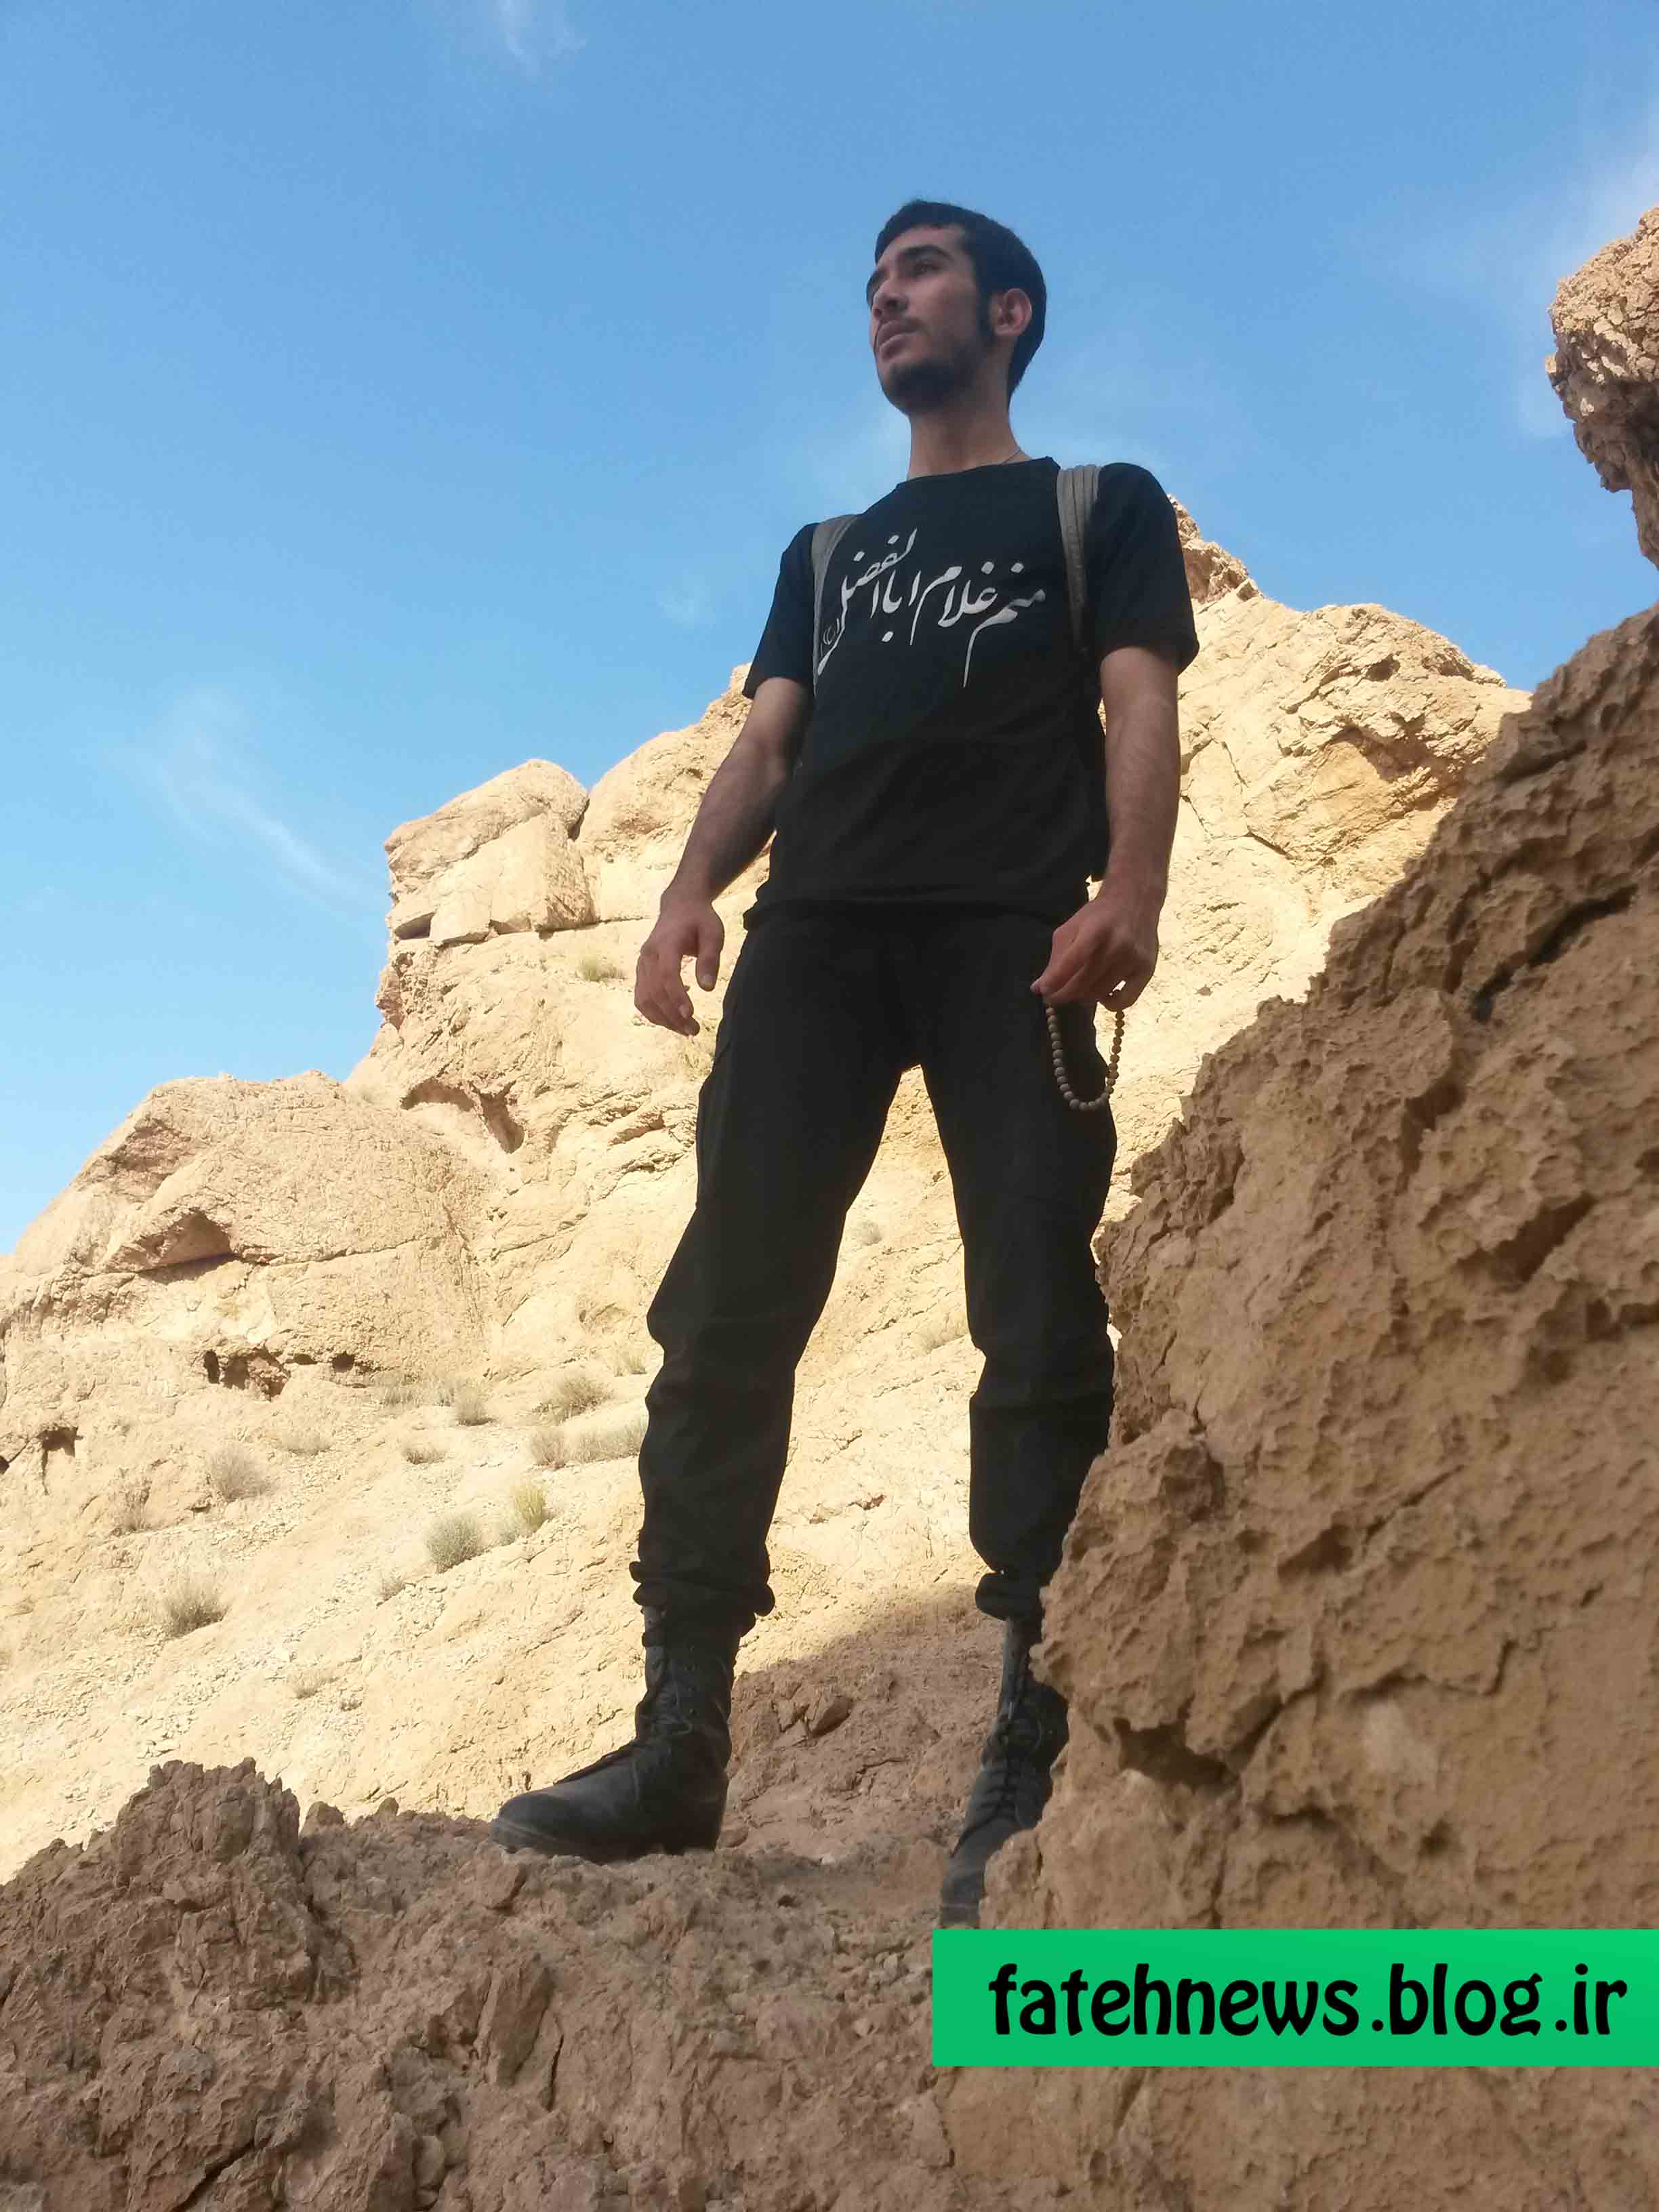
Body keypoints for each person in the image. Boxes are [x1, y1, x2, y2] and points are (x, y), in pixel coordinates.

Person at [493, 199, 1200, 1926]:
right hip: (812, 941)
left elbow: (1140, 703)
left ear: (1010, 312)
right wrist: (684, 889)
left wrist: (1132, 889)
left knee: (1034, 1306)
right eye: (875, 282)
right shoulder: (826, 553)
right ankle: (679, 1740)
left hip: (1012, 937)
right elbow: (769, 745)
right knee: (724, 1316)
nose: (887, 299)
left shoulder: (1093, 507)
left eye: (923, 272)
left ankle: (1034, 1734)